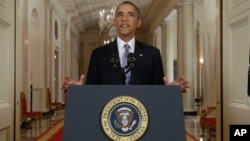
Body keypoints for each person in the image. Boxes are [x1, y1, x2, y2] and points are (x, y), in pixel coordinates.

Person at [61, 1, 190, 92]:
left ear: (138, 23)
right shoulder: (99, 54)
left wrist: (169, 90)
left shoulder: (152, 54)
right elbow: (92, 91)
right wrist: (80, 90)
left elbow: (157, 90)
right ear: (114, 22)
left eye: (130, 14)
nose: (124, 18)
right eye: (120, 15)